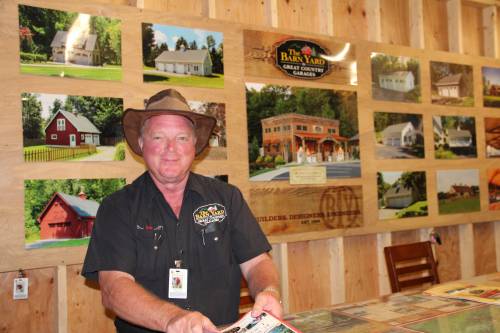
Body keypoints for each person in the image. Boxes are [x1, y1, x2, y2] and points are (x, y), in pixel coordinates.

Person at [82, 89, 283, 333]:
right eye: (158, 137)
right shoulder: (117, 208)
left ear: (195, 144)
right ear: (142, 143)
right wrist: (172, 319)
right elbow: (114, 288)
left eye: (181, 138)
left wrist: (268, 291)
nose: (170, 149)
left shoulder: (227, 198)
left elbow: (257, 263)